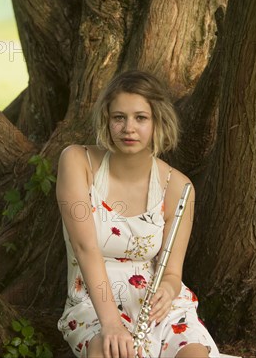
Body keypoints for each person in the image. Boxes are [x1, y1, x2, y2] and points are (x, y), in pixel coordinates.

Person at [56, 70, 220, 358]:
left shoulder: (179, 188)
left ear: (158, 121)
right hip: (95, 303)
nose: (128, 128)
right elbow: (85, 248)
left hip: (154, 306)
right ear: (107, 121)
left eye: (141, 118)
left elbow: (171, 272)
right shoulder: (77, 162)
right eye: (119, 117)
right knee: (111, 353)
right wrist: (111, 324)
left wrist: (168, 290)